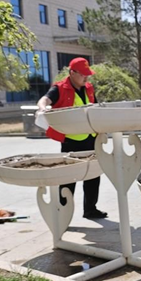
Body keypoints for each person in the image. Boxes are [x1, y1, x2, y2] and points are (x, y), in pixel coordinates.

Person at [37, 58, 107, 219]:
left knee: (93, 174)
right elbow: (44, 100)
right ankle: (62, 212)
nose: (87, 78)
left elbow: (95, 107)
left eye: (88, 75)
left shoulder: (88, 87)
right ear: (72, 73)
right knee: (69, 177)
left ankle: (90, 209)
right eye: (83, 75)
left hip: (91, 137)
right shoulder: (60, 88)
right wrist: (43, 109)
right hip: (71, 141)